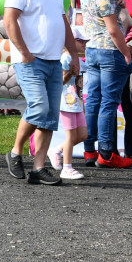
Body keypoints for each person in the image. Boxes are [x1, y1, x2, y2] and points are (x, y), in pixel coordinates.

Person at [4, 0, 79, 185]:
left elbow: (62, 22)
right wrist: (24, 52)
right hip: (30, 60)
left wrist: (74, 54)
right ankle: (15, 152)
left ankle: (38, 168)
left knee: (48, 115)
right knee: (39, 107)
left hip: (53, 61)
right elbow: (9, 20)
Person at [79, 0, 132, 168]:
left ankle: (89, 151)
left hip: (92, 49)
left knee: (92, 100)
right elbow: (113, 30)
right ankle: (107, 154)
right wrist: (127, 52)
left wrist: (116, 3)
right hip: (111, 52)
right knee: (109, 104)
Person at [49, 25, 89, 180]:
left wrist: (82, 105)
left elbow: (79, 84)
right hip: (66, 103)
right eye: (81, 41)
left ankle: (57, 150)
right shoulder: (65, 58)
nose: (84, 44)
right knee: (71, 136)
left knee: (83, 135)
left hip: (76, 103)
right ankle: (67, 168)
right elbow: (61, 81)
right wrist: (69, 73)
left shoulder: (79, 60)